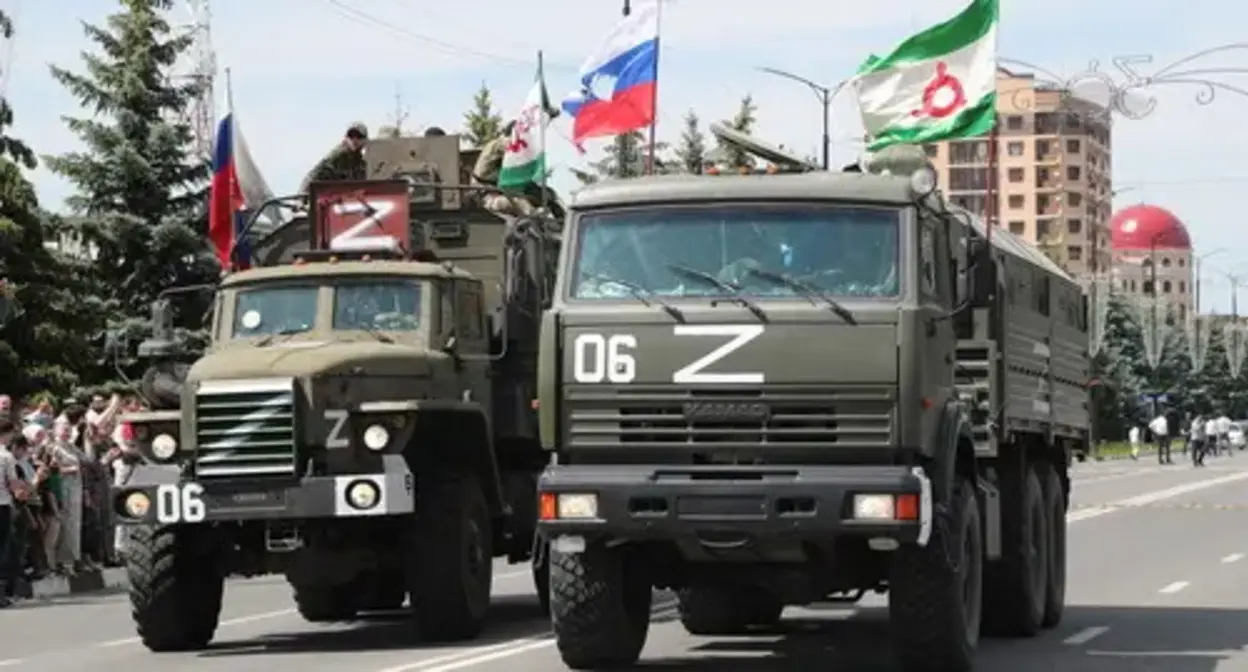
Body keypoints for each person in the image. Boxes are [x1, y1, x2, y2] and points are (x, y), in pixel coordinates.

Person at [299, 122, 369, 193]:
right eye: (351, 136)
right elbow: (314, 176)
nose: (354, 140)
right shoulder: (337, 156)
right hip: (318, 195)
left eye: (359, 136)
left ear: (365, 140)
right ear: (346, 138)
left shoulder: (361, 164)